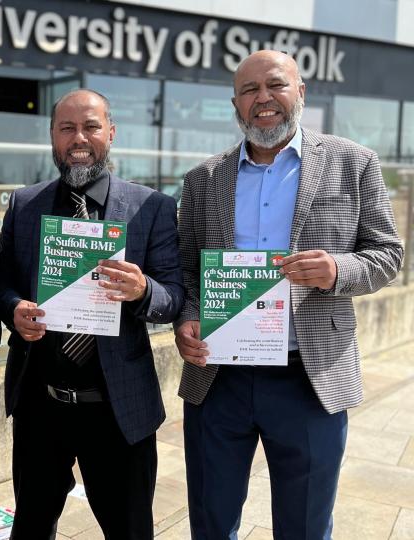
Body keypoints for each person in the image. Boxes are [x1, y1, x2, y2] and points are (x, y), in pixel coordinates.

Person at [174, 50, 404, 539]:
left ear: (300, 92)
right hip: (219, 379)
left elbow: (388, 254)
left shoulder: (353, 163)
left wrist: (335, 269)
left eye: (275, 85)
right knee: (211, 522)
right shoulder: (202, 179)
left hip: (309, 377)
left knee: (304, 526)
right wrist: (187, 319)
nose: (263, 99)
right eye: (249, 90)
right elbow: (189, 269)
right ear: (236, 104)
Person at [0, 89, 184, 539]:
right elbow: (1, 283)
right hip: (42, 405)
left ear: (111, 133)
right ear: (52, 137)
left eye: (91, 126)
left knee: (130, 530)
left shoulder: (151, 208)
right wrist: (13, 309)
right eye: (67, 128)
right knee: (31, 527)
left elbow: (175, 295)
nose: (79, 138)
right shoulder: (25, 205)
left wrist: (142, 291)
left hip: (118, 410)